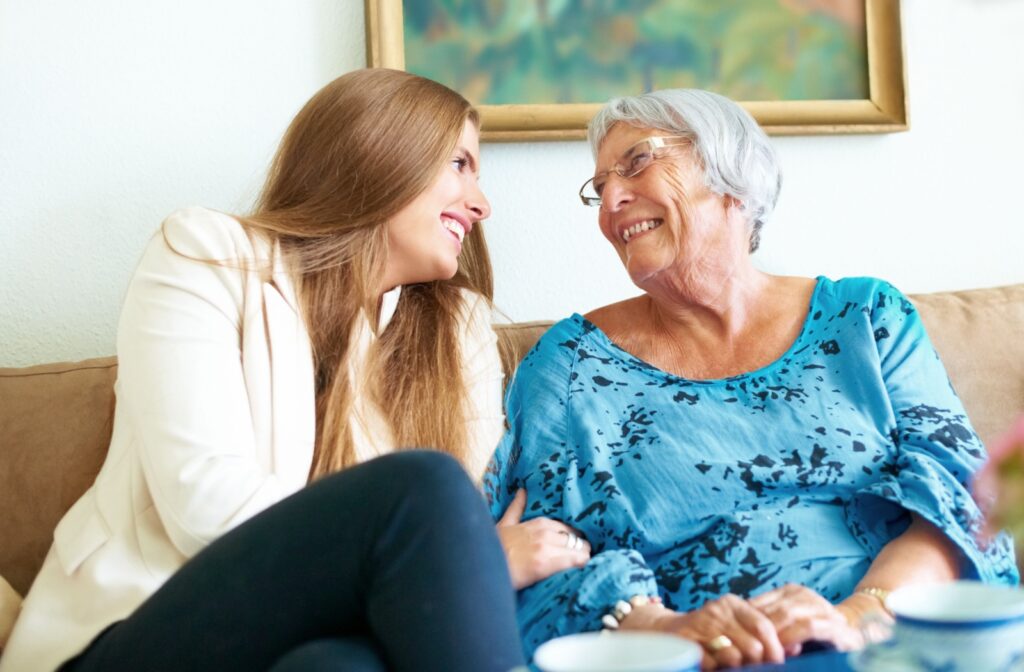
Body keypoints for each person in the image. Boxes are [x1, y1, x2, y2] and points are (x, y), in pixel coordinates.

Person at [1, 68, 532, 672]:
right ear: (381, 151)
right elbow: (204, 504)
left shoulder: (455, 327)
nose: (482, 204)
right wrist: (399, 559)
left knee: (336, 668)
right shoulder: (205, 256)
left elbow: (462, 541)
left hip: (303, 649)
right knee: (422, 486)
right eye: (460, 164)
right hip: (137, 634)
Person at [483, 88, 1019, 669]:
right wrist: (671, 630)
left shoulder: (867, 319)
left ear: (731, 177)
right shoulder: (568, 366)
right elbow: (544, 548)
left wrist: (856, 616)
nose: (610, 200)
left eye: (637, 162)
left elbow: (961, 496)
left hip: (889, 642)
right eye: (599, 187)